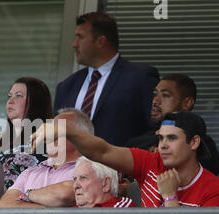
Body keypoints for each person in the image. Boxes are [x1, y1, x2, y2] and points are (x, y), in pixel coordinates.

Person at [32, 111, 219, 214]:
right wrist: (69, 131)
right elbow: (102, 152)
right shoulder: (150, 162)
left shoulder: (216, 191)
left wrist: (170, 198)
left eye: (172, 138)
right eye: (160, 138)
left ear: (194, 142)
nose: (162, 145)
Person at [54, 12, 159, 147]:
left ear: (101, 42)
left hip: (119, 166)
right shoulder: (66, 86)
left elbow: (154, 129)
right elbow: (55, 134)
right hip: (69, 167)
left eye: (80, 37)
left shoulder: (140, 77)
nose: (74, 44)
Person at [0, 109, 91, 214]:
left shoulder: (93, 167)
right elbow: (4, 208)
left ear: (81, 137)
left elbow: (65, 194)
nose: (49, 134)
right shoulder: (31, 172)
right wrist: (56, 210)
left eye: (57, 130)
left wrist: (25, 197)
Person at [127, 73, 219, 174]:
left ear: (187, 103)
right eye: (155, 94)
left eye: (165, 95)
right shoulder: (137, 143)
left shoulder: (203, 145)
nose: (155, 101)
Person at [0, 77, 53, 189]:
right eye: (9, 96)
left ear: (36, 102)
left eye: (19, 96)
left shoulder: (47, 137)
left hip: (24, 203)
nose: (10, 101)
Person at [49, 157, 139, 214]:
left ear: (106, 184)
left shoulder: (123, 205)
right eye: (75, 179)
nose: (75, 185)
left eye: (83, 178)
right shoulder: (72, 211)